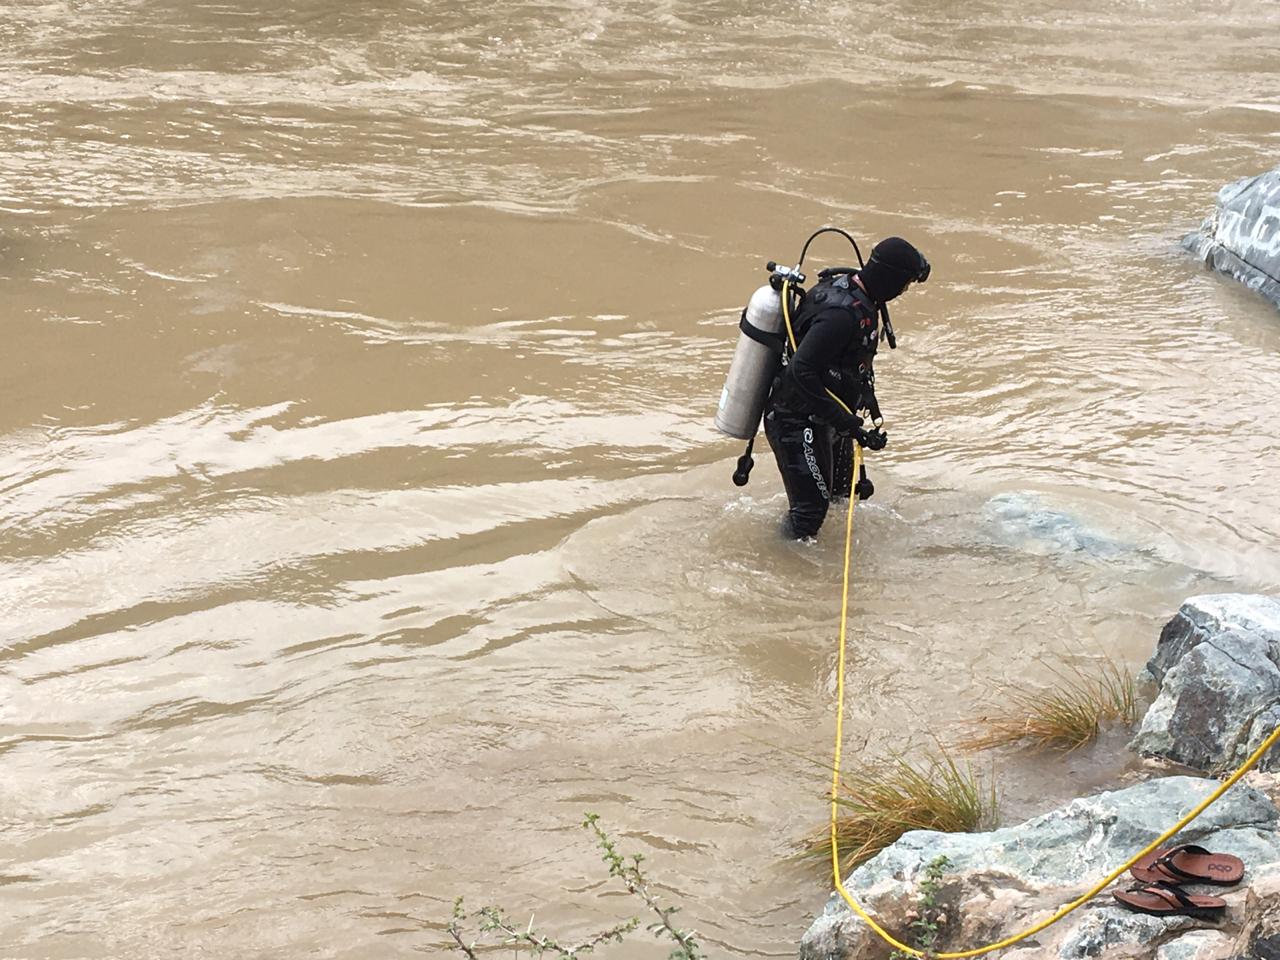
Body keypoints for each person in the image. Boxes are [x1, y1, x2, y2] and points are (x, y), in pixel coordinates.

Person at [763, 237, 929, 539]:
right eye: (904, 284)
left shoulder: (861, 296)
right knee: (809, 514)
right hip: (796, 420)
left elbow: (851, 361)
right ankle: (781, 571)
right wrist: (850, 425)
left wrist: (864, 402)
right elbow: (802, 370)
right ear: (890, 278)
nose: (904, 291)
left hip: (830, 418)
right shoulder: (840, 315)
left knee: (841, 498)